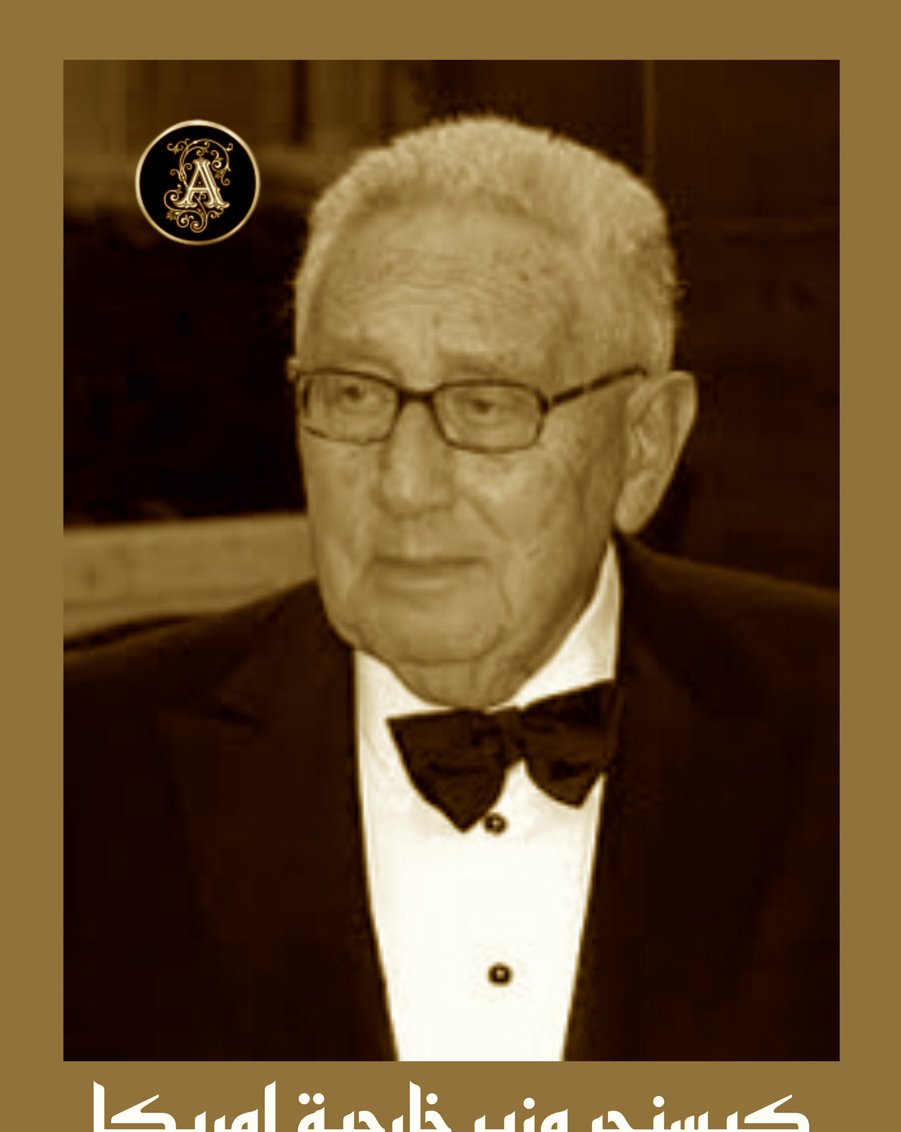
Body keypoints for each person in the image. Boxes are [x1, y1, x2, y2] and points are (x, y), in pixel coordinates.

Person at [65, 115, 838, 1061]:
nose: (403, 484)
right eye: (353, 394)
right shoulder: (81, 768)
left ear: (642, 449)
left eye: (485, 405)